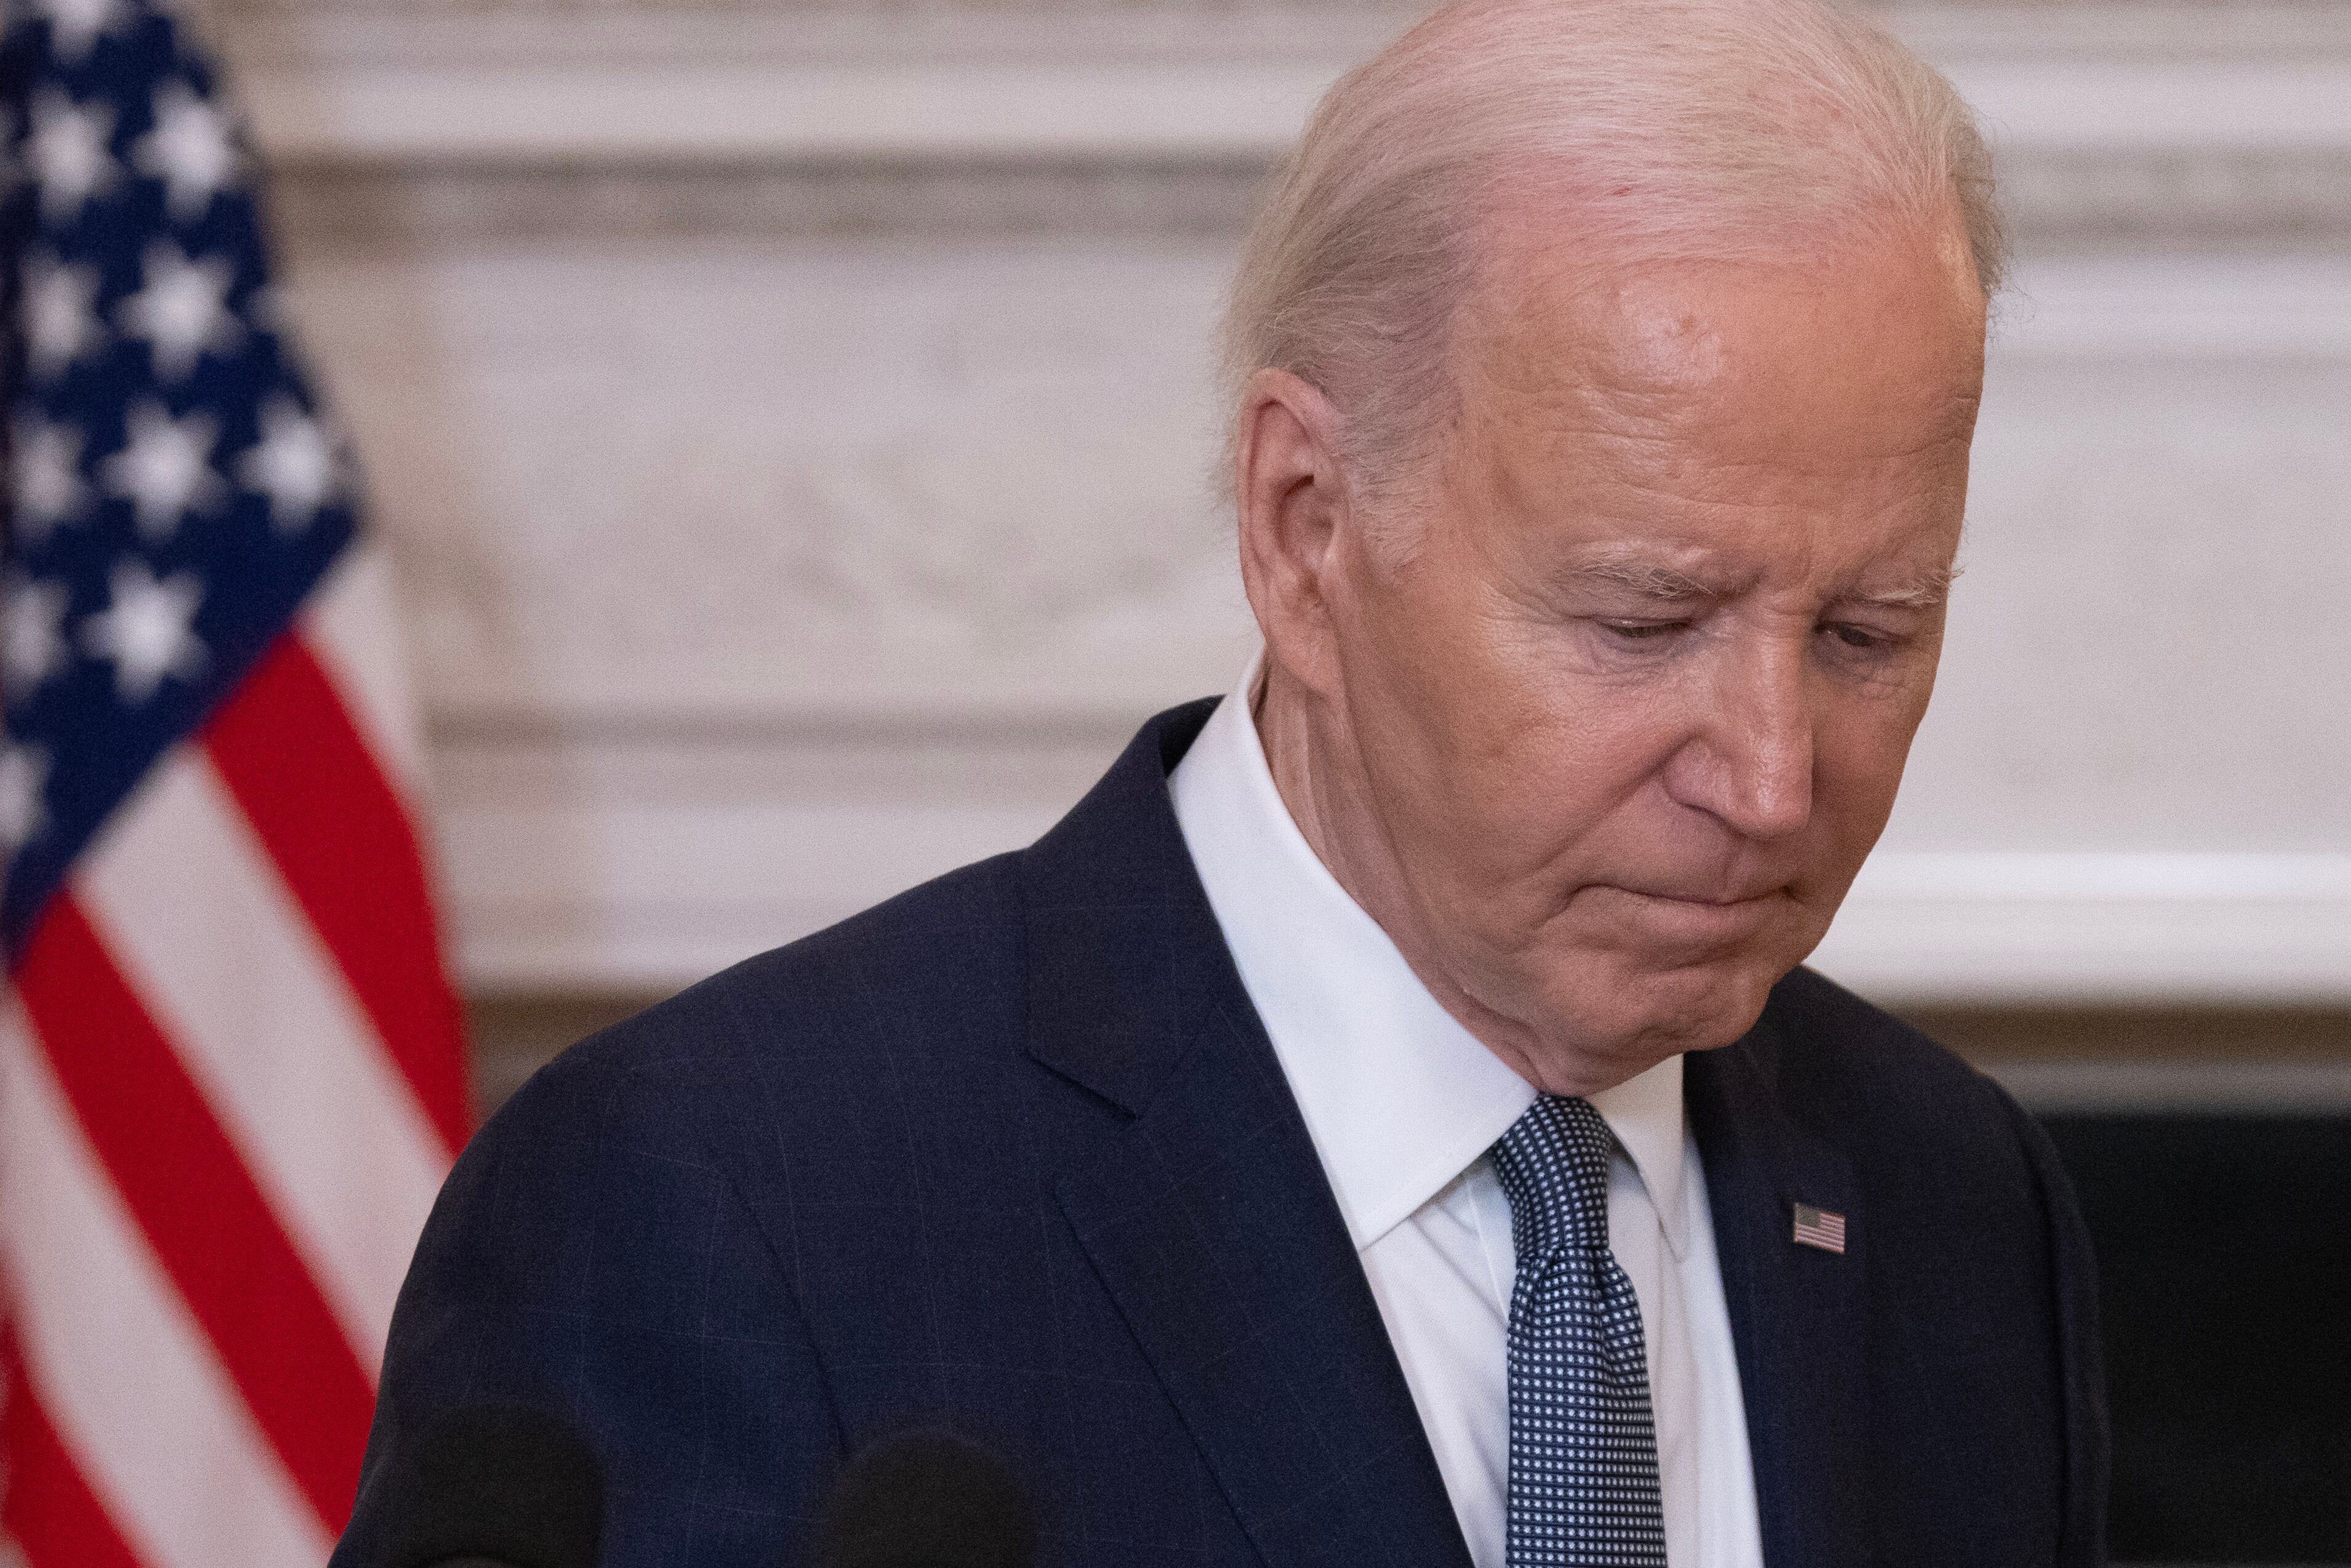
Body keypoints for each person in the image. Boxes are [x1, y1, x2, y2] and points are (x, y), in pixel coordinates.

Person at [334, 1, 2107, 1563]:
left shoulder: (1948, 1194)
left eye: (1869, 631)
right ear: (1303, 529)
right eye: (1645, 618)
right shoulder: (729, 1198)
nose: (1776, 779)